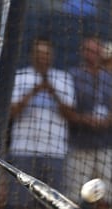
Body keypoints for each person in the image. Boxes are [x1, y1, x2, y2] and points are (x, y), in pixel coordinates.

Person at [3, 36, 75, 209]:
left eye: (46, 53)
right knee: (19, 202)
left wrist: (53, 92)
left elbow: (71, 115)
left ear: (52, 56)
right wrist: (33, 91)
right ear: (31, 55)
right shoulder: (21, 76)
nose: (43, 57)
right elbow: (11, 113)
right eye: (39, 53)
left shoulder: (63, 78)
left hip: (54, 151)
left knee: (52, 203)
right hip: (23, 149)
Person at [58, 37, 112, 209]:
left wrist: (107, 119)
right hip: (79, 145)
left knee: (107, 196)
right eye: (88, 50)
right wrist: (87, 119)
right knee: (73, 197)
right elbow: (65, 109)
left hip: (105, 145)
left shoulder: (109, 78)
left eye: (96, 51)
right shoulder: (72, 76)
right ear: (82, 52)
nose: (92, 55)